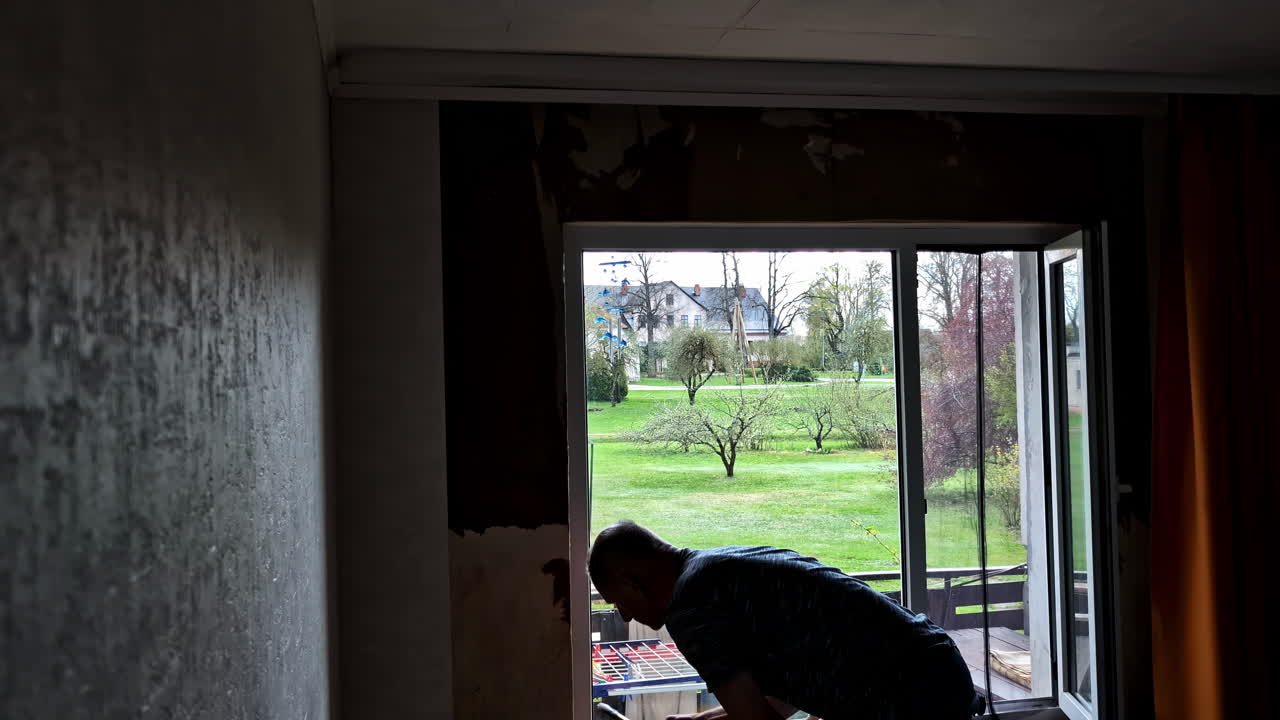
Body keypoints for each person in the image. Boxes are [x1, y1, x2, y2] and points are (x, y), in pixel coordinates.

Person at [589, 521, 983, 720]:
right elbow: (789, 691)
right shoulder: (715, 568)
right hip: (936, 671)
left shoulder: (690, 607)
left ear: (632, 581)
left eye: (616, 601)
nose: (622, 613)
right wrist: (707, 718)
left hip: (911, 694)